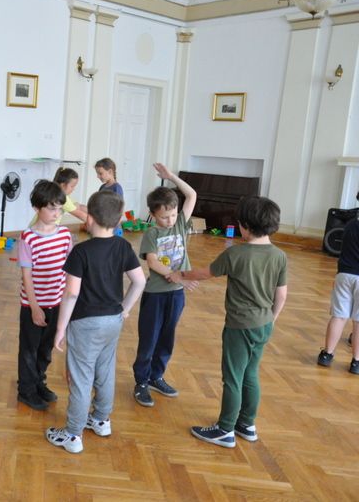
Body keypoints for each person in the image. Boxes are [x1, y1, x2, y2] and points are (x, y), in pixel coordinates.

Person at [170, 196, 287, 448]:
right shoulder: (279, 255)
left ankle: (225, 429)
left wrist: (181, 274)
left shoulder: (235, 253)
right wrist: (271, 320)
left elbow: (205, 273)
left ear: (245, 226)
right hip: (264, 324)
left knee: (233, 377)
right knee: (251, 373)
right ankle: (247, 424)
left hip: (240, 326)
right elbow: (281, 294)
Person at [45, 191, 145, 453]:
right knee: (105, 371)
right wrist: (124, 309)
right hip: (113, 321)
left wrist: (60, 328)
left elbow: (71, 294)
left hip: (86, 324)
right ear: (118, 219)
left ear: (89, 218)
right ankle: (101, 420)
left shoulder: (81, 252)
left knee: (81, 378)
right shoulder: (123, 246)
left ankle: (73, 434)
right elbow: (139, 282)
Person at [132, 163, 198, 407]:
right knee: (149, 339)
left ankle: (156, 376)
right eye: (164, 216)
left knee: (167, 338)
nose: (170, 220)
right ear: (153, 214)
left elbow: (192, 195)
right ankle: (141, 381)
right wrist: (174, 275)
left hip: (177, 295)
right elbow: (152, 261)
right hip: (156, 295)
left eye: (172, 214)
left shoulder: (180, 223)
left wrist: (171, 177)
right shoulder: (152, 233)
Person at [16, 180, 74, 410]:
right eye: (51, 208)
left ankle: (38, 381)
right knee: (29, 350)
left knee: (46, 349)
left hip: (56, 303)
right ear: (36, 208)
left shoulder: (65, 234)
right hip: (33, 305)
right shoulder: (28, 238)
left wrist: (68, 300)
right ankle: (26, 390)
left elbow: (70, 269)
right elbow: (26, 275)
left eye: (59, 208)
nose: (56, 213)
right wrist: (34, 307)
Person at [316, 215, 359, 375]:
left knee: (338, 316)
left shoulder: (350, 225)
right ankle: (356, 361)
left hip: (344, 275)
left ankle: (327, 354)